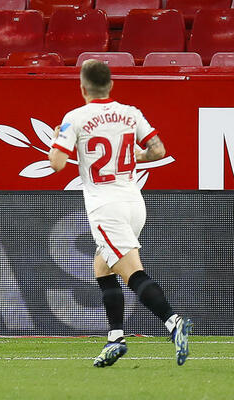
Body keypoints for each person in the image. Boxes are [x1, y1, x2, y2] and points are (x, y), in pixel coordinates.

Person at [48, 59, 192, 367]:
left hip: (106, 207)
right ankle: (115, 339)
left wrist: (56, 144)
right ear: (110, 85)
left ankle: (173, 321)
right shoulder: (131, 113)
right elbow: (158, 151)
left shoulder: (75, 118)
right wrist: (134, 155)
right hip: (134, 203)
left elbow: (57, 163)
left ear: (82, 87)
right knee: (102, 267)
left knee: (132, 273)